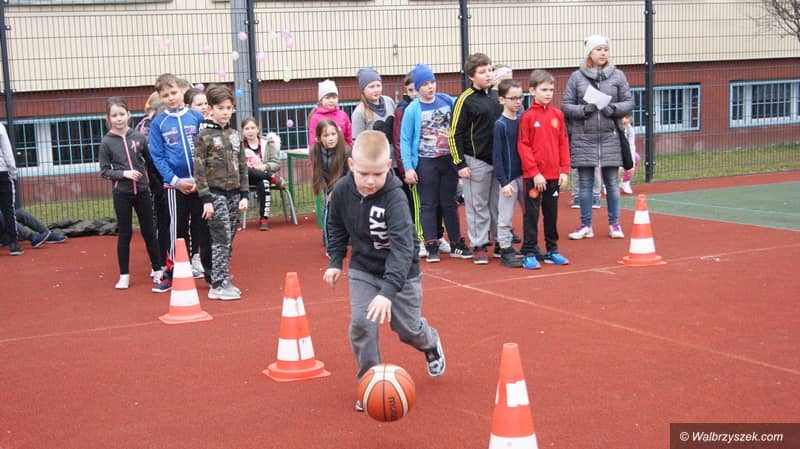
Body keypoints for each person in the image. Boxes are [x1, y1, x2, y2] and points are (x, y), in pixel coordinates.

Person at [322, 130, 445, 412]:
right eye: (363, 173)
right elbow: (336, 225)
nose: (370, 181)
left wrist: (388, 292)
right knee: (361, 324)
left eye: (377, 174)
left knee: (407, 329)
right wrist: (336, 260)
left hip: (401, 273)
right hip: (364, 268)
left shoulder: (395, 198)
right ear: (351, 165)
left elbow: (403, 250)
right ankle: (369, 381)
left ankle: (430, 342)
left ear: (388, 166)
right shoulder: (342, 191)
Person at [562, 34, 634, 240]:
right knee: (585, 184)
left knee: (611, 182)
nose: (603, 53)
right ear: (589, 53)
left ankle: (614, 224)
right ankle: (585, 225)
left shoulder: (618, 76)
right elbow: (566, 105)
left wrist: (614, 109)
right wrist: (585, 109)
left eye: (605, 49)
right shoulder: (576, 77)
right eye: (598, 49)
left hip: (611, 137)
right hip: (584, 138)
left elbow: (629, 102)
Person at [399, 63, 471, 263]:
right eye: (425, 84)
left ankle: (456, 242)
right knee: (428, 204)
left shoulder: (447, 100)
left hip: (447, 160)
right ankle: (431, 244)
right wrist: (408, 167)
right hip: (425, 161)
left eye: (432, 82)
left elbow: (461, 118)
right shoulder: (413, 109)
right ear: (417, 87)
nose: (430, 87)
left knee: (449, 202)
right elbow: (405, 139)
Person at [148, 73, 209, 293]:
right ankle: (173, 271)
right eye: (166, 95)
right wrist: (175, 181)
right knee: (177, 228)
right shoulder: (159, 123)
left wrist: (200, 178)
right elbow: (158, 157)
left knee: (203, 226)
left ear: (181, 92)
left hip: (199, 183)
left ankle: (211, 271)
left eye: (174, 93)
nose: (171, 98)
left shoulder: (196, 117)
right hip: (175, 186)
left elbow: (207, 149)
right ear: (160, 97)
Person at [99, 97, 163, 289]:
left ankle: (158, 270)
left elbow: (149, 162)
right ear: (108, 118)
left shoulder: (138, 137)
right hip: (122, 194)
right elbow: (104, 171)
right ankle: (124, 275)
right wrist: (124, 174)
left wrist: (155, 183)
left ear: (128, 115)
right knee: (125, 234)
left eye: (122, 114)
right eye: (114, 115)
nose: (118, 118)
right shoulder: (106, 142)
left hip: (142, 191)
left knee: (149, 232)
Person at [193, 85, 249, 301]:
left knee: (229, 238)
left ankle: (223, 274)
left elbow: (242, 166)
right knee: (221, 237)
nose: (225, 112)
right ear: (210, 109)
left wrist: (244, 194)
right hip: (214, 194)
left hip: (233, 193)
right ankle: (216, 283)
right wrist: (206, 199)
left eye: (229, 108)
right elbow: (199, 170)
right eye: (220, 108)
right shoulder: (204, 136)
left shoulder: (235, 136)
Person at [448, 52, 503, 264]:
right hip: (476, 160)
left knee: (497, 204)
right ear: (471, 76)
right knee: (477, 205)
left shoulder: (497, 96)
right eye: (482, 72)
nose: (488, 75)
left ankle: (500, 241)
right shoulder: (465, 100)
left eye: (490, 70)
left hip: (498, 160)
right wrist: (460, 163)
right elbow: (454, 133)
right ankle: (479, 244)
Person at [517, 70, 571, 269]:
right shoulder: (528, 116)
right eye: (544, 89)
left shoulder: (558, 115)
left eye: (551, 90)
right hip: (534, 178)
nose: (548, 93)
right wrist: (534, 173)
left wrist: (564, 170)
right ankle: (529, 251)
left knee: (551, 214)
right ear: (532, 91)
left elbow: (563, 143)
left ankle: (552, 250)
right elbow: (523, 146)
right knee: (531, 214)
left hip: (553, 176)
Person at [135, 92, 170, 279]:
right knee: (161, 222)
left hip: (170, 180)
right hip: (156, 182)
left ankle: (174, 259)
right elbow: (149, 160)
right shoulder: (146, 128)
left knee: (172, 222)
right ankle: (160, 262)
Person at [491, 79, 525, 268]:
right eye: (513, 98)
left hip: (524, 176)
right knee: (505, 217)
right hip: (509, 179)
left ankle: (529, 245)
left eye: (520, 97)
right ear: (502, 100)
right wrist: (504, 182)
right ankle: (504, 248)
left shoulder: (522, 121)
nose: (517, 102)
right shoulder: (500, 125)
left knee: (530, 212)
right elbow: (497, 156)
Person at [309, 119, 350, 248]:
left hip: (346, 185)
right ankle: (329, 241)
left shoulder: (346, 151)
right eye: (326, 135)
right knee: (329, 210)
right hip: (329, 186)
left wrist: (336, 190)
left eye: (333, 134)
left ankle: (351, 237)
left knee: (348, 212)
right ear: (318, 138)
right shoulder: (315, 151)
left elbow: (349, 174)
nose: (331, 138)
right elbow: (318, 172)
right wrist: (327, 189)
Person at [241, 117, 283, 231]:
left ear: (258, 129)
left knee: (264, 183)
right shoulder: (239, 145)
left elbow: (276, 163)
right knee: (245, 168)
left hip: (261, 175)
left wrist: (265, 166)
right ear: (242, 131)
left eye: (252, 128)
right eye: (247, 128)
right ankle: (271, 177)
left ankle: (264, 218)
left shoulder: (267, 144)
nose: (250, 131)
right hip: (245, 177)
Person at [351, 67, 396, 151]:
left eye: (378, 85)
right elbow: (357, 142)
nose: (376, 90)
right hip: (372, 156)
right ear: (363, 90)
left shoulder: (389, 101)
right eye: (371, 87)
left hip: (393, 155)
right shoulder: (359, 112)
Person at [308, 79, 353, 148]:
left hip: (342, 152)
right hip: (323, 153)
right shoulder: (316, 118)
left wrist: (350, 151)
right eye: (327, 98)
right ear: (321, 100)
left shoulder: (343, 115)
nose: (331, 100)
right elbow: (313, 141)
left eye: (334, 97)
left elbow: (349, 136)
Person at [0, 122, 23, 256]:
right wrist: (13, 172)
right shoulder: (0, 127)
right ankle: (14, 244)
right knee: (8, 209)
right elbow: (7, 151)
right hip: (2, 172)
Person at [619, 112, 639, 194]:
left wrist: (632, 163)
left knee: (636, 157)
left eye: (628, 119)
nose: (626, 121)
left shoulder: (630, 129)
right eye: (624, 118)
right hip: (612, 151)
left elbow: (631, 145)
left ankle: (625, 182)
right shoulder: (613, 127)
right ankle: (606, 184)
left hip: (624, 151)